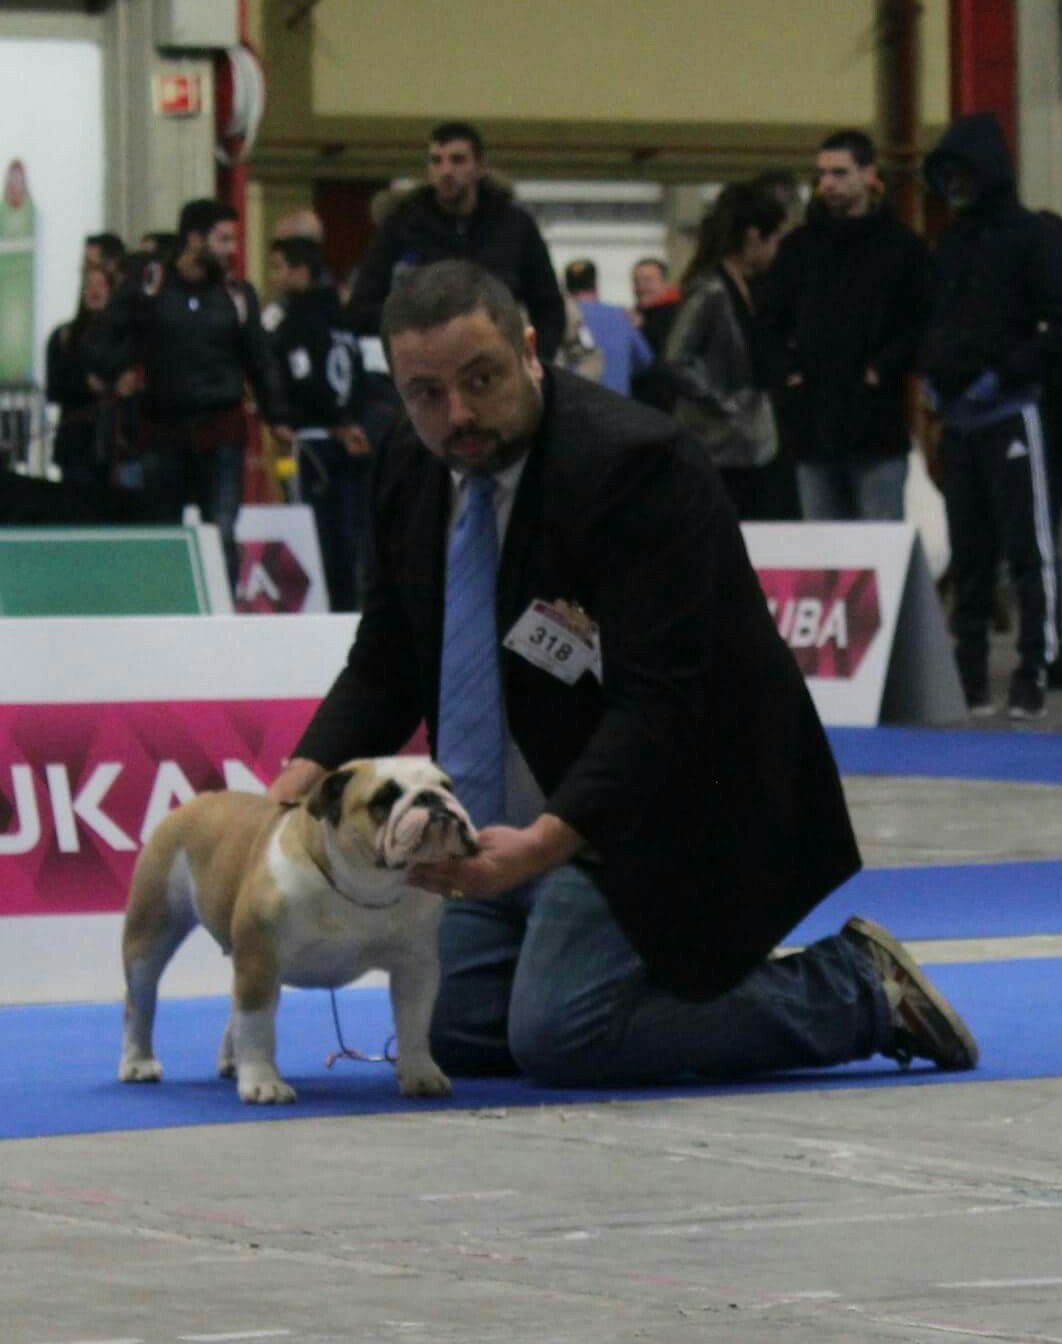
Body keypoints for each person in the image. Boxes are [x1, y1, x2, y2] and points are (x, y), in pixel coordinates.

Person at [269, 258, 977, 1089]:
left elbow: (662, 705)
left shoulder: (639, 467)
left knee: (564, 1035)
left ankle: (857, 989)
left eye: (482, 379)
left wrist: (543, 844)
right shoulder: (406, 463)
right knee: (446, 1025)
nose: (456, 414)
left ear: (532, 350)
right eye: (425, 393)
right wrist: (295, 783)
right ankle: (621, 983)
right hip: (506, 821)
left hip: (675, 804)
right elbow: (389, 654)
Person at [920, 114, 1062, 720]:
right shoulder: (951, 244)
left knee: (1028, 549)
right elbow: (937, 320)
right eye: (945, 175)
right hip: (961, 418)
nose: (953, 186)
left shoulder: (1032, 237)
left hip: (1010, 412)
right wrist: (932, 375)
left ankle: (1034, 668)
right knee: (970, 553)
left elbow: (1058, 324)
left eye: (961, 174)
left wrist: (1004, 375)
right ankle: (970, 673)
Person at [87, 197, 291, 587]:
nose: (232, 249)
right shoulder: (149, 286)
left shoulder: (238, 294)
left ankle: (222, 620)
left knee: (223, 534)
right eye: (224, 239)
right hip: (162, 432)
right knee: (161, 536)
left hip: (222, 432)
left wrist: (278, 417)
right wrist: (119, 370)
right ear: (195, 239)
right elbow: (100, 341)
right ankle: (161, 611)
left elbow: (260, 360)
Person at [759, 129, 928, 521]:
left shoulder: (902, 248)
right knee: (822, 554)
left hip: (876, 425)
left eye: (839, 173)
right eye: (823, 174)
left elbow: (920, 321)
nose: (828, 184)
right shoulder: (799, 249)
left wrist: (882, 368)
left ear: (869, 175)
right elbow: (768, 322)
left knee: (879, 548)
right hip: (812, 425)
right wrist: (787, 372)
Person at [347, 120, 566, 361]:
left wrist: (537, 360)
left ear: (480, 167)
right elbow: (361, 308)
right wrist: (418, 320)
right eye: (436, 160)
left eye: (457, 160)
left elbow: (548, 306)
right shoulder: (401, 225)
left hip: (496, 360)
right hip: (425, 362)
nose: (446, 170)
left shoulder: (514, 226)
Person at [664, 182, 787, 520]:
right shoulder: (712, 289)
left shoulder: (740, 286)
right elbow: (677, 359)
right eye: (775, 238)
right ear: (752, 236)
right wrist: (726, 402)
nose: (778, 249)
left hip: (741, 445)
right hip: (717, 446)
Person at [267, 235, 371, 611]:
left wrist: (320, 420)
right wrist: (352, 421)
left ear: (301, 271)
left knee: (314, 531)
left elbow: (304, 379)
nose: (274, 277)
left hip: (313, 439)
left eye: (279, 267)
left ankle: (322, 609)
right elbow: (358, 376)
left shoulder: (297, 321)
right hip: (350, 438)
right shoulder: (343, 319)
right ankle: (348, 606)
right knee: (349, 529)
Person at [45, 264, 116, 490]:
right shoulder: (65, 337)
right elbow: (54, 388)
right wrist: (84, 384)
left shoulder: (122, 335)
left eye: (100, 285)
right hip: (77, 438)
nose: (94, 291)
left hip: (114, 440)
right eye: (89, 285)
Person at [563, 258, 652, 396]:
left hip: (576, 401)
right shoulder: (620, 315)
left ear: (567, 287)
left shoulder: (563, 316)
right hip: (616, 403)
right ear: (595, 285)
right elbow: (644, 359)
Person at [629, 256, 682, 411]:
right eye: (636, 281)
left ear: (665, 283)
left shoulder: (676, 314)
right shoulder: (639, 315)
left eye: (648, 280)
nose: (641, 287)